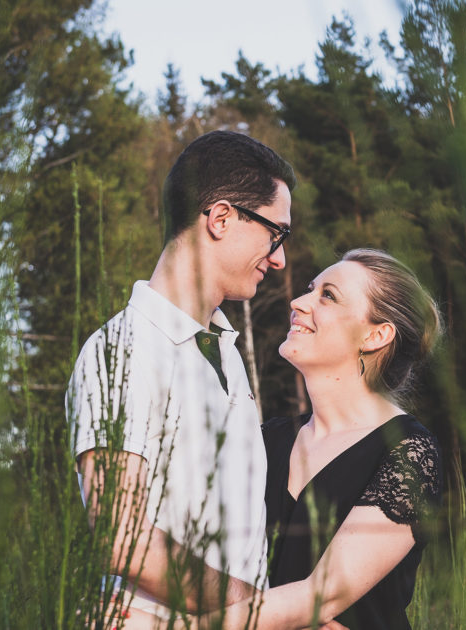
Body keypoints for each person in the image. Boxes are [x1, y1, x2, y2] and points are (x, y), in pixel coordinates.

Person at [66, 130, 296, 624]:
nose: (279, 258)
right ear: (220, 218)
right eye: (276, 233)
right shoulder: (121, 350)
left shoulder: (226, 353)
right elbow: (121, 537)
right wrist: (266, 612)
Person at [196, 248, 442, 630]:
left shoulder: (408, 453)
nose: (298, 301)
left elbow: (320, 595)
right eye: (311, 289)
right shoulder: (266, 439)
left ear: (376, 335)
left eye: (328, 295)